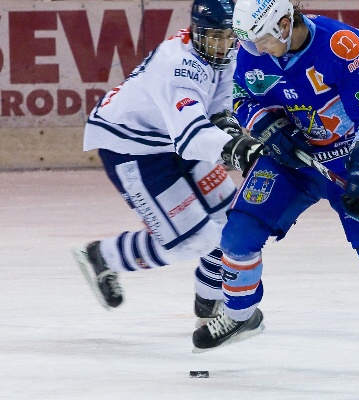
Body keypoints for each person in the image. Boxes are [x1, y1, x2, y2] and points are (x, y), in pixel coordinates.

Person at [192, 0, 359, 371]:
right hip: (290, 159)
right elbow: (243, 99)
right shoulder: (253, 49)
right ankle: (239, 314)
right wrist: (267, 126)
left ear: (284, 24)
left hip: (349, 158)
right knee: (238, 234)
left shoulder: (346, 47)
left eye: (263, 39)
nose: (256, 49)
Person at [73, 0, 267, 346]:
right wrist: (236, 149)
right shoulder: (178, 66)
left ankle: (209, 300)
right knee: (192, 240)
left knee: (232, 217)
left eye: (229, 37)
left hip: (171, 138)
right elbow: (192, 136)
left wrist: (231, 133)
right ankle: (103, 256)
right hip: (132, 147)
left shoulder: (223, 51)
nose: (223, 45)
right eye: (215, 37)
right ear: (195, 30)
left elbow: (218, 108)